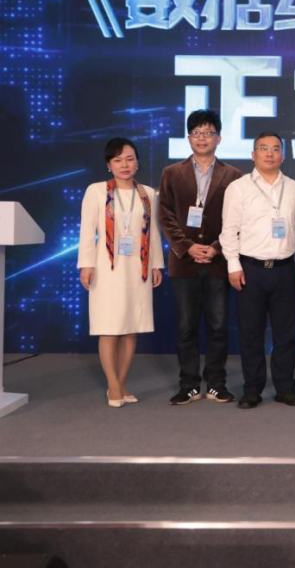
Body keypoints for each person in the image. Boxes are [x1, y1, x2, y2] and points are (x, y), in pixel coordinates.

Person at [157, 109, 243, 405]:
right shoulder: (171, 173)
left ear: (218, 138)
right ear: (189, 137)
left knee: (218, 327)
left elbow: (237, 219)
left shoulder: (233, 175)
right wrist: (187, 247)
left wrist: (217, 247)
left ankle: (216, 383)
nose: (202, 138)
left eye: (208, 133)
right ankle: (189, 384)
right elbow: (165, 215)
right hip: (184, 263)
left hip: (218, 262)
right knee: (185, 328)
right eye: (196, 133)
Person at [219, 131, 295, 410]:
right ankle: (252, 389)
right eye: (263, 148)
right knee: (251, 333)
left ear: (283, 155)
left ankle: (285, 387)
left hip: (285, 269)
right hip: (251, 269)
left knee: (286, 334)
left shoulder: (293, 187)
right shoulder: (238, 188)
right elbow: (229, 230)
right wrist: (233, 265)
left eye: (276, 148)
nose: (270, 153)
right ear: (253, 154)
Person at [77, 138, 164, 408]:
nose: (124, 165)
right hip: (107, 268)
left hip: (138, 267)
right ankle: (113, 385)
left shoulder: (148, 193)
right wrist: (86, 264)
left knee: (131, 328)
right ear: (109, 165)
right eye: (117, 160)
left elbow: (154, 232)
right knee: (109, 327)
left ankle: (122, 382)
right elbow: (87, 231)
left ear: (137, 162)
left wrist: (156, 264)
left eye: (129, 159)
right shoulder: (96, 191)